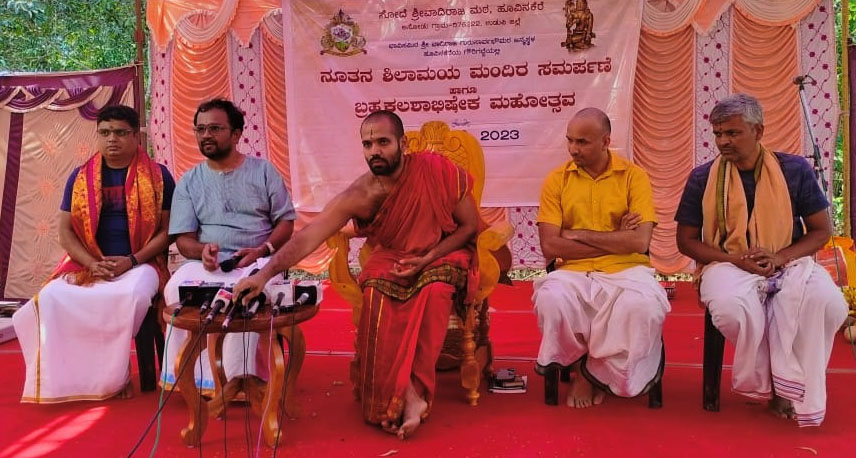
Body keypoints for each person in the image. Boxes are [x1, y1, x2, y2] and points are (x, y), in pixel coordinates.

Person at [234, 110, 481, 439]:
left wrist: (428, 258)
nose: (375, 151)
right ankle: (405, 393)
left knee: (433, 291)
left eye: (383, 142)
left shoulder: (437, 170)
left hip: (442, 252)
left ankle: (418, 391)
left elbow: (469, 227)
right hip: (393, 256)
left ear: (403, 144)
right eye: (367, 144)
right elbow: (308, 237)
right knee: (375, 292)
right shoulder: (361, 194)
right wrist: (263, 275)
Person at [675, 93, 848, 426]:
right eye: (718, 133)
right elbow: (686, 241)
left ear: (759, 131)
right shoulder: (703, 177)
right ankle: (777, 385)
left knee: (828, 303)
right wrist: (735, 259)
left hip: (788, 260)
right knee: (733, 309)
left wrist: (779, 257)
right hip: (726, 264)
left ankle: (792, 385)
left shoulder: (793, 170)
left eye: (732, 133)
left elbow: (820, 231)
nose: (723, 141)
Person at [12, 105, 175, 403]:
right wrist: (91, 263)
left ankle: (115, 378)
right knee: (50, 297)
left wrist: (131, 261)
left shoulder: (159, 176)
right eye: (105, 132)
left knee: (132, 296)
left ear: (135, 136)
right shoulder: (79, 177)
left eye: (120, 132)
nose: (112, 139)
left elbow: (168, 232)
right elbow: (65, 232)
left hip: (141, 262)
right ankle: (68, 379)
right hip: (88, 262)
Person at [533, 107, 669, 408]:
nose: (573, 149)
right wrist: (616, 238)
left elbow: (639, 241)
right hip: (572, 271)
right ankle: (586, 370)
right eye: (570, 140)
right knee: (551, 300)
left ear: (606, 141)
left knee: (643, 306)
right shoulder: (556, 180)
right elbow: (551, 246)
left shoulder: (634, 177)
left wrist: (576, 234)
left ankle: (594, 373)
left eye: (582, 142)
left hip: (627, 269)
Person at [161, 98, 296, 392]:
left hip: (259, 261)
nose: (206, 135)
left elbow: (286, 222)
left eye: (215, 128)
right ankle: (197, 380)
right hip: (209, 264)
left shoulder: (263, 172)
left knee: (245, 292)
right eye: (200, 129)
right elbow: (183, 240)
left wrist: (263, 250)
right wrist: (202, 251)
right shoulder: (189, 181)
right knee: (175, 288)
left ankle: (243, 379)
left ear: (236, 134)